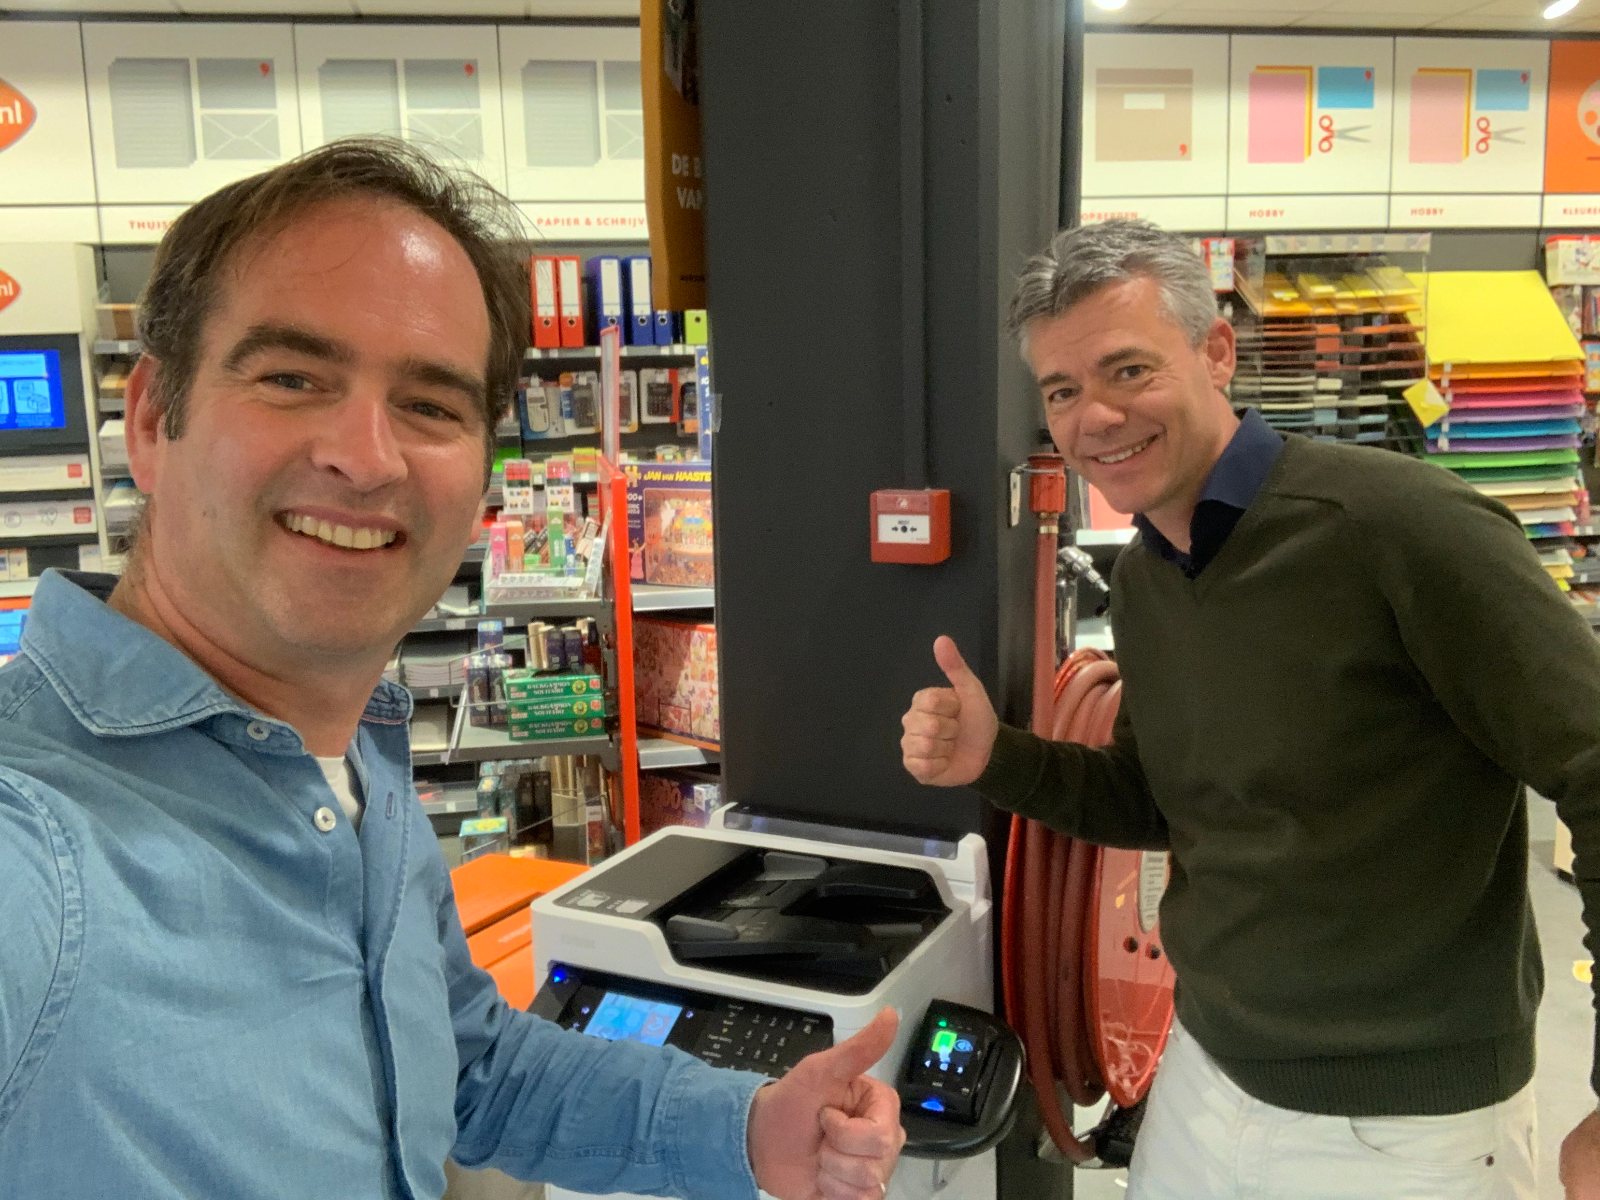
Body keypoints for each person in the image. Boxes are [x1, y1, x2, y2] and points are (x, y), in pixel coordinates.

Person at [0, 138, 904, 1200]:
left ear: (481, 481)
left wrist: (745, 1131)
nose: (365, 456)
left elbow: (470, 1065)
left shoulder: (353, 771)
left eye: (429, 405)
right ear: (154, 419)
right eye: (292, 378)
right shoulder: (36, 849)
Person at [900, 219, 1599, 1200]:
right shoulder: (1148, 578)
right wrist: (996, 758)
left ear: (1216, 352)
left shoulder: (1399, 527)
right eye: (1062, 391)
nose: (1095, 416)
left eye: (1128, 369)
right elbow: (1154, 802)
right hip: (1205, 1075)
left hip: (1409, 1127)